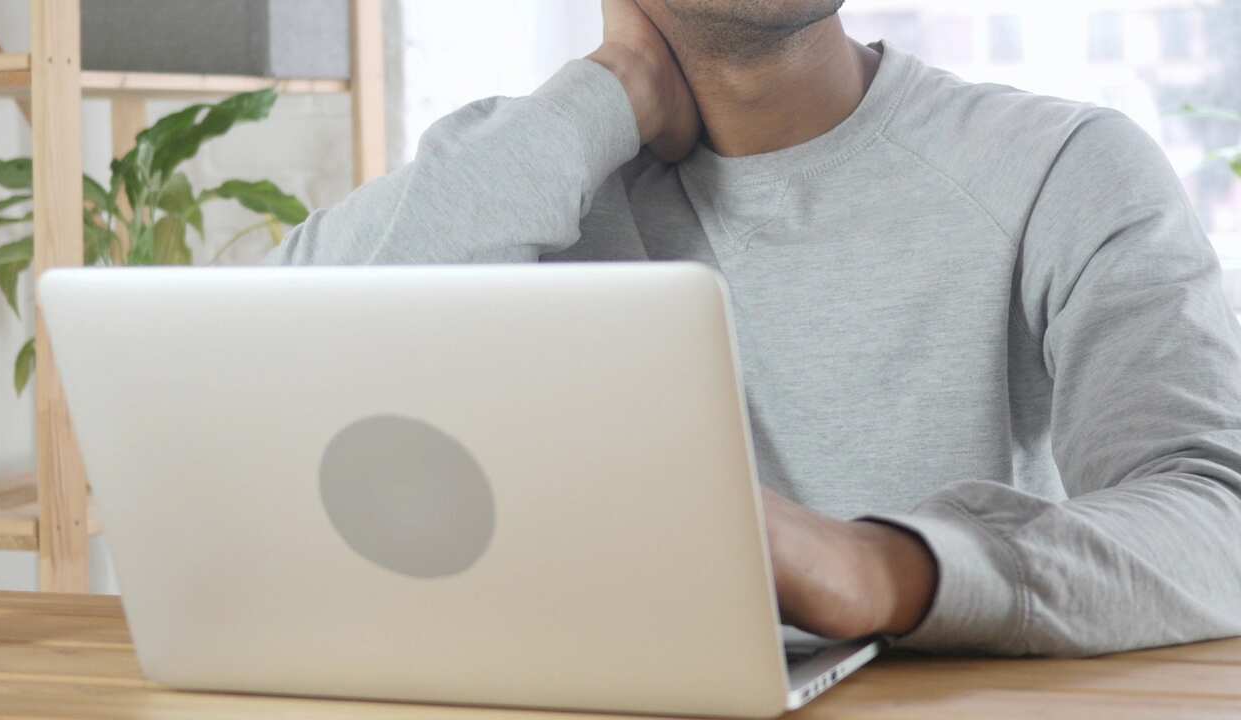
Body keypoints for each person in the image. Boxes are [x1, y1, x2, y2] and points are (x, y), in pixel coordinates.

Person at [268, 0, 1241, 656]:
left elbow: (1217, 517)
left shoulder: (1061, 166)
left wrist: (885, 567)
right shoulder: (518, 173)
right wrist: (608, 88)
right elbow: (260, 386)